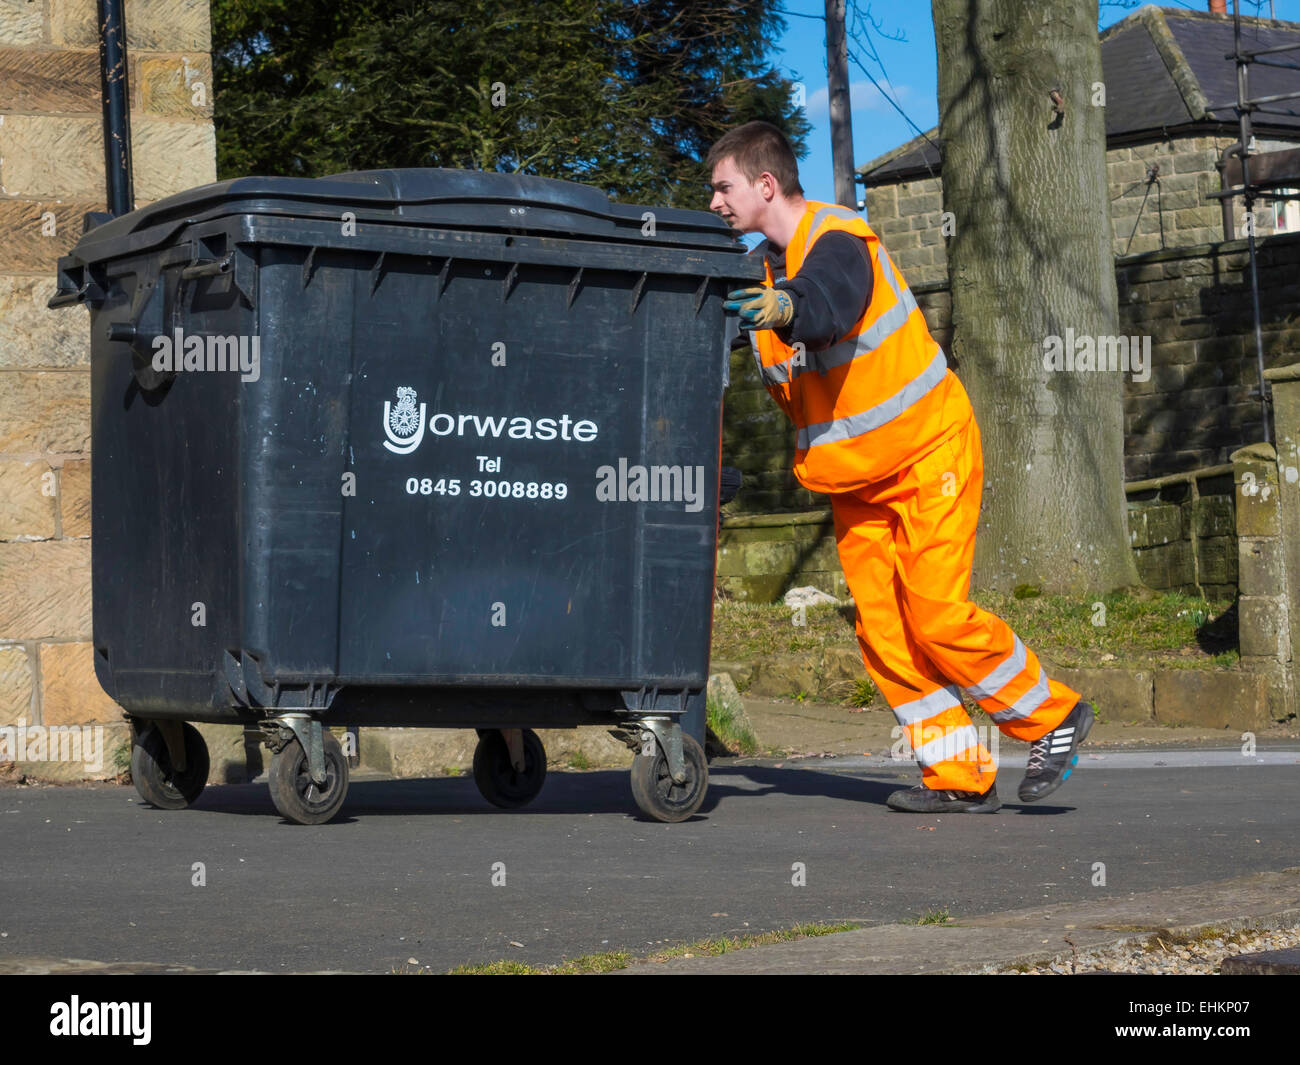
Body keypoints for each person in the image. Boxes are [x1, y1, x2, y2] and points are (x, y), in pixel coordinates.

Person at [709, 120, 1096, 813]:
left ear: (765, 185)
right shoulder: (759, 271)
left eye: (723, 187)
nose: (715, 201)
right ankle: (959, 775)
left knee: (936, 614)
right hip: (856, 479)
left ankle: (1053, 717)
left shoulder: (836, 240)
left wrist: (791, 307)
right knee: (885, 632)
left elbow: (831, 298)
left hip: (927, 452)